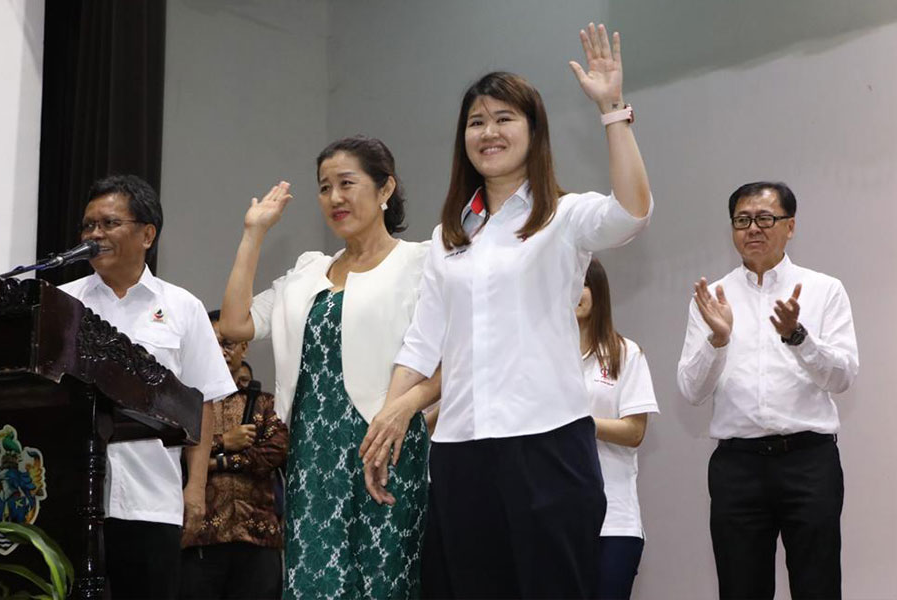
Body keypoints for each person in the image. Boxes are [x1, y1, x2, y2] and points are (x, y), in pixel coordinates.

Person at [361, 23, 653, 598]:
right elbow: (423, 342)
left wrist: (613, 111)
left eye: (503, 119)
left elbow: (633, 211)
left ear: (532, 132)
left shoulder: (563, 217)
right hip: (461, 452)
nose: (488, 132)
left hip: (547, 445)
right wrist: (389, 422)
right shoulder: (451, 235)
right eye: (476, 121)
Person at [219, 136, 439, 599]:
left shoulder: (421, 262)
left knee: (385, 584)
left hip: (386, 450)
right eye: (323, 188)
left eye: (346, 183)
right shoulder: (307, 270)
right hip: (312, 456)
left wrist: (404, 409)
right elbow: (236, 323)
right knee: (314, 584)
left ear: (384, 190)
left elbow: (454, 357)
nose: (334, 198)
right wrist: (253, 233)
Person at [677, 181, 859, 599]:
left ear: (790, 226)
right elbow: (690, 390)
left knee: (818, 585)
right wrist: (718, 340)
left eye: (764, 219)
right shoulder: (713, 297)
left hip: (809, 462)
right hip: (737, 467)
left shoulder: (823, 290)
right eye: (742, 220)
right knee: (741, 588)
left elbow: (843, 377)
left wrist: (798, 336)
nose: (752, 229)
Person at [59, 174, 235, 600]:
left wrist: (194, 488)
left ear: (147, 234)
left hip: (151, 500)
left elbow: (203, 402)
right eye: (88, 226)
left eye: (108, 223)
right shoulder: (61, 303)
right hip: (71, 500)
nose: (94, 235)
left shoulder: (181, 308)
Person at [179, 310, 288, 600]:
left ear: (244, 347)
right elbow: (175, 453)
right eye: (212, 344)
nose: (221, 352)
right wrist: (224, 441)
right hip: (201, 534)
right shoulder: (185, 405)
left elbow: (275, 453)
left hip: (258, 534)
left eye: (228, 344)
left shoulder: (266, 404)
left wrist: (217, 462)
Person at [576, 258, 658, 600]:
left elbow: (635, 431)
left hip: (614, 519)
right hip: (553, 517)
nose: (570, 293)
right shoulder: (541, 358)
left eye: (578, 283)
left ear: (598, 292)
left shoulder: (625, 353)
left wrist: (583, 425)